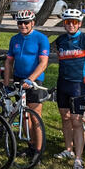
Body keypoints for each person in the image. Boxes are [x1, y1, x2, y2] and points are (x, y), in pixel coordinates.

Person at [52, 8, 85, 169]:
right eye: (67, 22)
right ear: (64, 23)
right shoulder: (60, 40)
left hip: (80, 85)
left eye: (74, 22)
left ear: (79, 24)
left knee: (77, 122)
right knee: (65, 118)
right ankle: (68, 150)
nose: (71, 25)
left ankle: (79, 158)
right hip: (63, 83)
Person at [4, 9, 50, 160]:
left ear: (33, 23)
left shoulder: (41, 39)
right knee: (24, 116)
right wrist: (6, 83)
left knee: (36, 117)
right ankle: (30, 146)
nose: (22, 25)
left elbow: (43, 63)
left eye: (26, 23)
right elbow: (9, 62)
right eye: (20, 23)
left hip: (34, 81)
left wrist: (30, 79)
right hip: (19, 79)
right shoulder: (14, 39)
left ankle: (38, 150)